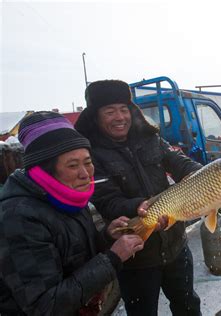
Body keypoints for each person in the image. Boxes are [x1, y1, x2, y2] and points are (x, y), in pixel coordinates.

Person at [75, 80, 202, 315]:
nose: (119, 117)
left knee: (188, 306)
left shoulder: (150, 138)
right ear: (95, 116)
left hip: (175, 245)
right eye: (110, 111)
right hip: (136, 256)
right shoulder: (91, 155)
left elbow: (179, 162)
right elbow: (107, 201)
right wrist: (140, 206)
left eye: (123, 109)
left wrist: (202, 174)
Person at [0, 111, 145, 315]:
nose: (85, 174)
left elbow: (74, 256)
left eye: (87, 162)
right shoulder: (18, 217)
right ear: (45, 170)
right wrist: (112, 258)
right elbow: (45, 306)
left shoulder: (69, 197)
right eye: (72, 165)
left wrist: (106, 237)